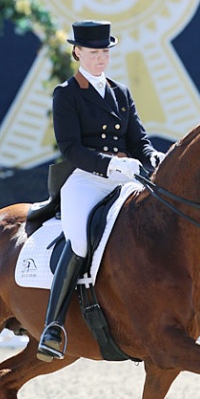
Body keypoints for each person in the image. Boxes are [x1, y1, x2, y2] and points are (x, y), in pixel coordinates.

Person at [37, 20, 164, 362]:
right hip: (86, 179)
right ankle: (53, 325)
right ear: (77, 52)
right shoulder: (67, 93)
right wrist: (109, 165)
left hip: (125, 178)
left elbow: (138, 139)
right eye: (94, 52)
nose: (101, 58)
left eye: (105, 52)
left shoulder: (120, 92)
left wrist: (151, 156)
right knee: (79, 239)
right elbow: (70, 147)